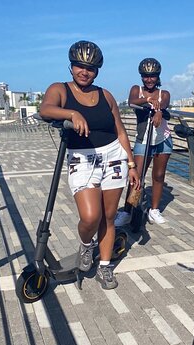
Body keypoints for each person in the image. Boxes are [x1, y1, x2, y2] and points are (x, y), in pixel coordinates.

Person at [39, 40, 140, 290]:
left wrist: (132, 164)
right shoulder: (60, 89)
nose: (84, 71)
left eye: (91, 68)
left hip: (113, 156)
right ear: (71, 67)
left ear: (97, 70)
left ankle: (105, 265)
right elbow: (46, 109)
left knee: (108, 216)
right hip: (82, 159)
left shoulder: (106, 95)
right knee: (90, 216)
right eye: (79, 66)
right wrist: (72, 114)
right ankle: (87, 246)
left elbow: (120, 132)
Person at [114, 57, 172, 226]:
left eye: (153, 76)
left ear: (158, 76)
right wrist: (148, 100)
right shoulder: (136, 90)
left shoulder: (164, 93)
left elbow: (165, 103)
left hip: (163, 139)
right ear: (141, 76)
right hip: (143, 140)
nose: (149, 79)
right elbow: (132, 102)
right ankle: (127, 211)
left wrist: (159, 110)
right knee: (136, 177)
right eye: (146, 76)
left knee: (159, 175)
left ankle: (154, 210)